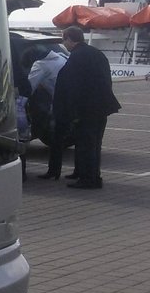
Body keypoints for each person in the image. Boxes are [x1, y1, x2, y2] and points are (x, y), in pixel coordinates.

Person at [54, 26, 121, 189]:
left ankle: (88, 179)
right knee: (95, 143)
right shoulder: (97, 53)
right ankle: (89, 174)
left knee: (86, 143)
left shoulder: (77, 57)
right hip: (102, 106)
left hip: (86, 108)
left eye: (64, 40)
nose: (65, 44)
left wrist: (72, 111)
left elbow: (74, 87)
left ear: (70, 39)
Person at [28, 48, 68, 179]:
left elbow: (29, 88)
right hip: (69, 102)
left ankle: (53, 172)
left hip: (58, 104)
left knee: (56, 139)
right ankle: (73, 172)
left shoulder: (40, 65)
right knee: (60, 138)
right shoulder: (61, 57)